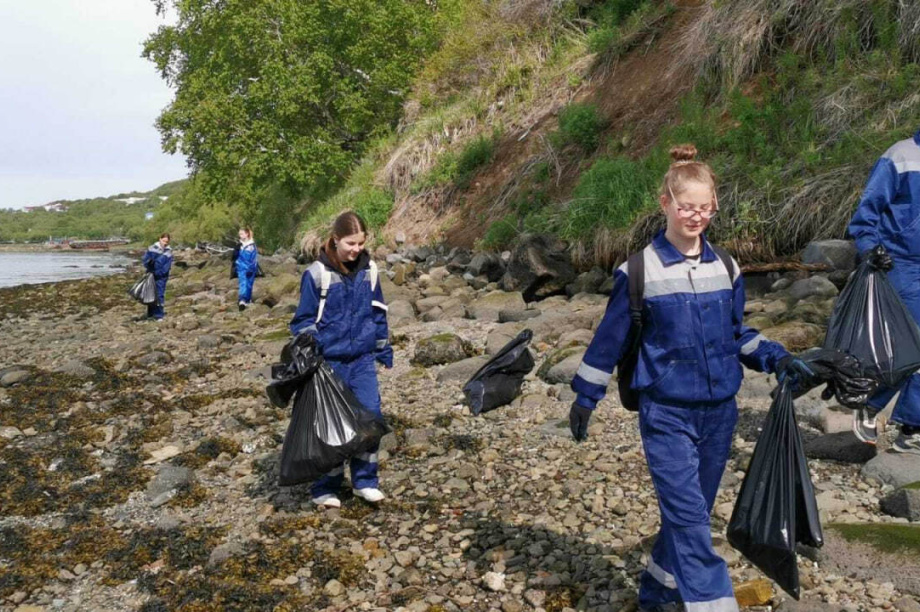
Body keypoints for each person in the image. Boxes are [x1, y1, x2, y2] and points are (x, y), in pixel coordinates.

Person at [568, 145, 813, 612]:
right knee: (689, 520)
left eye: (705, 208)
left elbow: (737, 335)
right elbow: (609, 340)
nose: (696, 216)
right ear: (666, 203)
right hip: (666, 414)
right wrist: (585, 397)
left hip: (720, 414)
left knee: (691, 515)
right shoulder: (638, 271)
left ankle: (657, 595)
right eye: (687, 207)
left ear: (714, 206)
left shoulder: (727, 266)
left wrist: (778, 359)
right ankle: (713, 603)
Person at [290, 211, 393, 508]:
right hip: (329, 362)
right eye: (350, 243)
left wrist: (383, 349)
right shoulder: (316, 274)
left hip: (362, 359)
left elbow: (378, 311)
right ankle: (325, 487)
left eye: (361, 243)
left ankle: (365, 482)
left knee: (371, 417)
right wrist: (313, 350)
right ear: (335, 240)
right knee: (332, 426)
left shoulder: (369, 270)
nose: (356, 249)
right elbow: (303, 321)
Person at [848, 128, 920, 454]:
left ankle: (911, 427)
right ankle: (871, 404)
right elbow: (866, 214)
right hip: (901, 263)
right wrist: (870, 250)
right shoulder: (900, 155)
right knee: (911, 343)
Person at [142, 233, 173, 321]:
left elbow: (167, 266)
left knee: (160, 295)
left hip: (162, 277)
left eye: (166, 242)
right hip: (150, 274)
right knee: (150, 293)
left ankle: (159, 315)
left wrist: (159, 273)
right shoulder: (151, 249)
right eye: (164, 241)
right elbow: (145, 260)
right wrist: (149, 264)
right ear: (160, 239)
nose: (165, 243)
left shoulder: (168, 251)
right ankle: (150, 314)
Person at [232, 227, 259, 311]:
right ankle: (242, 300)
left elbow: (254, 259)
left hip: (251, 268)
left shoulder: (252, 245)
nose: (240, 235)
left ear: (247, 234)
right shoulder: (239, 245)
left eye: (241, 234)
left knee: (249, 284)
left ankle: (247, 299)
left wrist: (251, 268)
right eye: (239, 234)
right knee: (243, 283)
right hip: (241, 267)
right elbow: (234, 257)